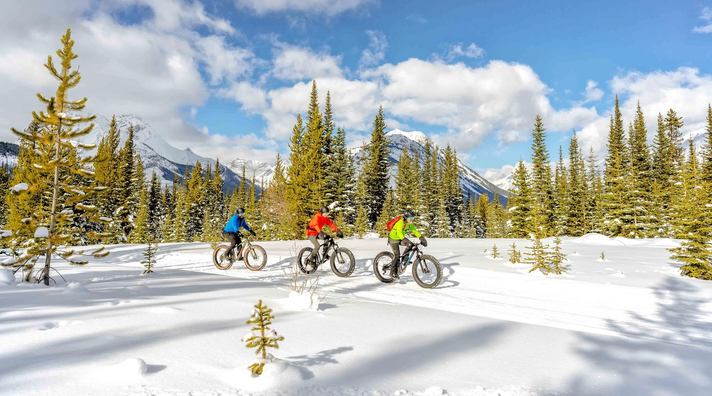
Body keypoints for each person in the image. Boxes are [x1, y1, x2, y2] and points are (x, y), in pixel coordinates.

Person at [387, 209, 427, 278]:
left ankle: (404, 260)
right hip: (393, 239)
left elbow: (414, 230)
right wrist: (403, 239)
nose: (412, 220)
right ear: (406, 217)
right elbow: (399, 232)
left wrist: (421, 237)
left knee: (410, 245)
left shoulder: (409, 223)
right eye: (410, 218)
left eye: (413, 218)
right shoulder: (400, 222)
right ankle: (392, 272)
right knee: (397, 255)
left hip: (399, 238)